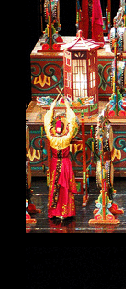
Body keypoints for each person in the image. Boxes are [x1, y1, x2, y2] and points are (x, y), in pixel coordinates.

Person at [44, 94, 78, 223]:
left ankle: (57, 212)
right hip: (64, 163)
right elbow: (72, 122)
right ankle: (63, 212)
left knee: (57, 186)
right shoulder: (66, 137)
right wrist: (67, 107)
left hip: (56, 164)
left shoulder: (51, 137)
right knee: (63, 187)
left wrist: (51, 108)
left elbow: (47, 123)